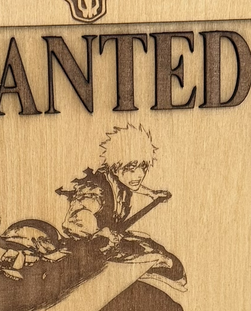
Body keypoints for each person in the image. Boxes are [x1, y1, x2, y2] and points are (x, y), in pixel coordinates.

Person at [57, 123, 186, 291]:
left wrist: (152, 194)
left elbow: (133, 185)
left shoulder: (120, 181)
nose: (139, 175)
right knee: (163, 261)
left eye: (143, 167)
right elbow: (74, 219)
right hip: (90, 251)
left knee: (167, 259)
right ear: (116, 167)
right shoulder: (96, 189)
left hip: (113, 242)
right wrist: (98, 232)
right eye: (132, 168)